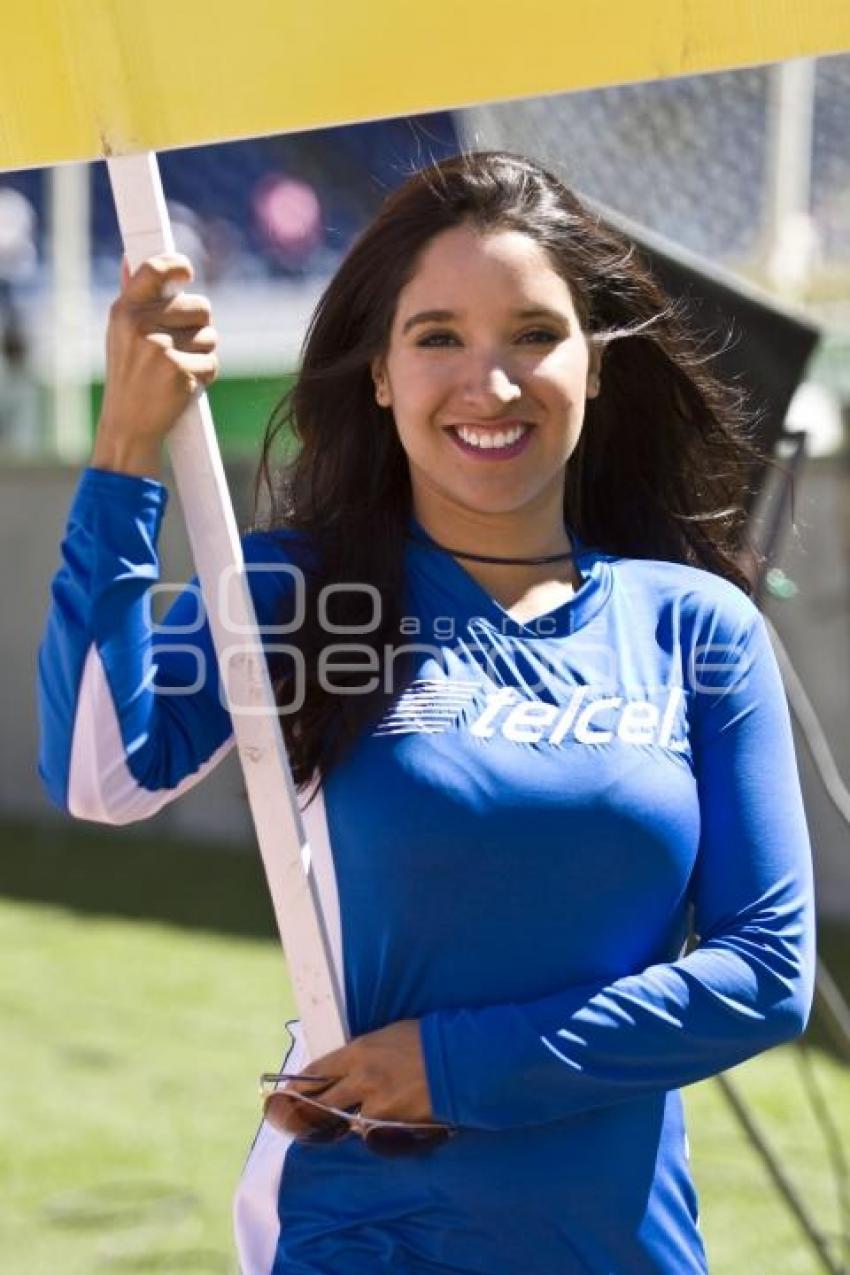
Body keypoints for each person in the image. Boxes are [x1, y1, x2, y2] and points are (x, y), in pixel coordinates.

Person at [37, 151, 816, 1274]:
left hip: (623, 1246)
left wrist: (455, 1067)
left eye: (535, 336)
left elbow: (765, 969)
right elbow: (96, 772)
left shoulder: (692, 627)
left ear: (597, 365)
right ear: (380, 376)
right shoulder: (307, 593)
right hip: (361, 1228)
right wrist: (124, 450)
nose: (487, 386)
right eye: (438, 337)